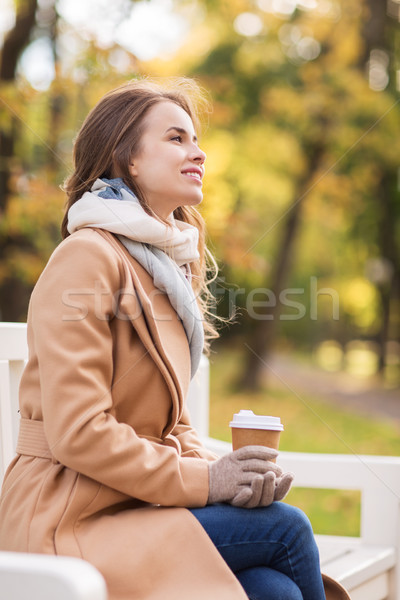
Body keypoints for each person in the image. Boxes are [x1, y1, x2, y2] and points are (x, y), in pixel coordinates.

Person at [0, 78, 328, 600]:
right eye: (176, 138)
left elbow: (170, 423)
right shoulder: (87, 256)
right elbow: (78, 432)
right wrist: (207, 483)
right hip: (67, 515)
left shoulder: (162, 268)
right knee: (286, 528)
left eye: (196, 140)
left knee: (273, 590)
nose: (198, 153)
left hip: (135, 503)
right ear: (127, 158)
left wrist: (232, 476)